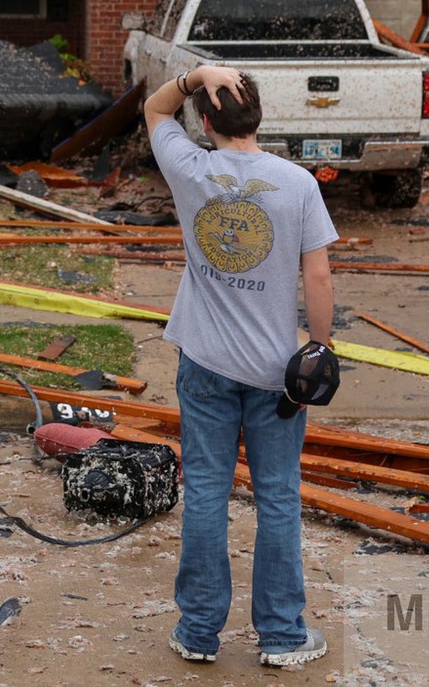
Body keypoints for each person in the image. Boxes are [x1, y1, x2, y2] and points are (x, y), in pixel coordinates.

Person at [144, 62, 335, 670]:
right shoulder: (298, 182)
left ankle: (199, 631)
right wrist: (321, 351)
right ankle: (281, 637)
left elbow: (153, 109)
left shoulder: (190, 168)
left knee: (205, 490)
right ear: (259, 118)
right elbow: (319, 274)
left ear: (205, 120)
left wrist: (196, 73)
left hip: (204, 361)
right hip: (278, 373)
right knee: (278, 497)